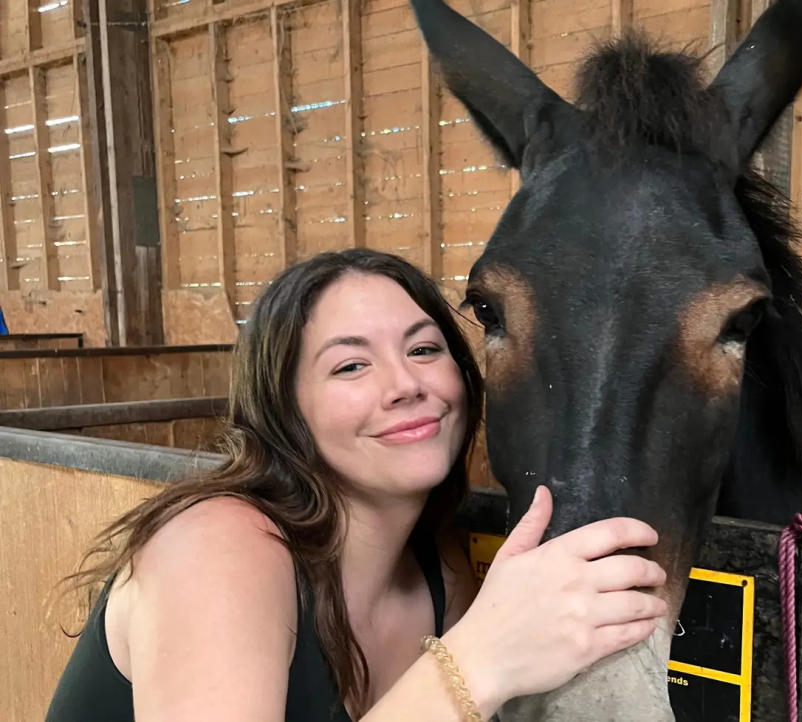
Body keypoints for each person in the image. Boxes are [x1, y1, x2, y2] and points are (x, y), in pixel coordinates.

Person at [46, 249, 668, 722]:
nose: (405, 384)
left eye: (424, 350)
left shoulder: (441, 573)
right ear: (286, 411)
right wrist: (481, 659)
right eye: (350, 365)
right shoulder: (216, 546)